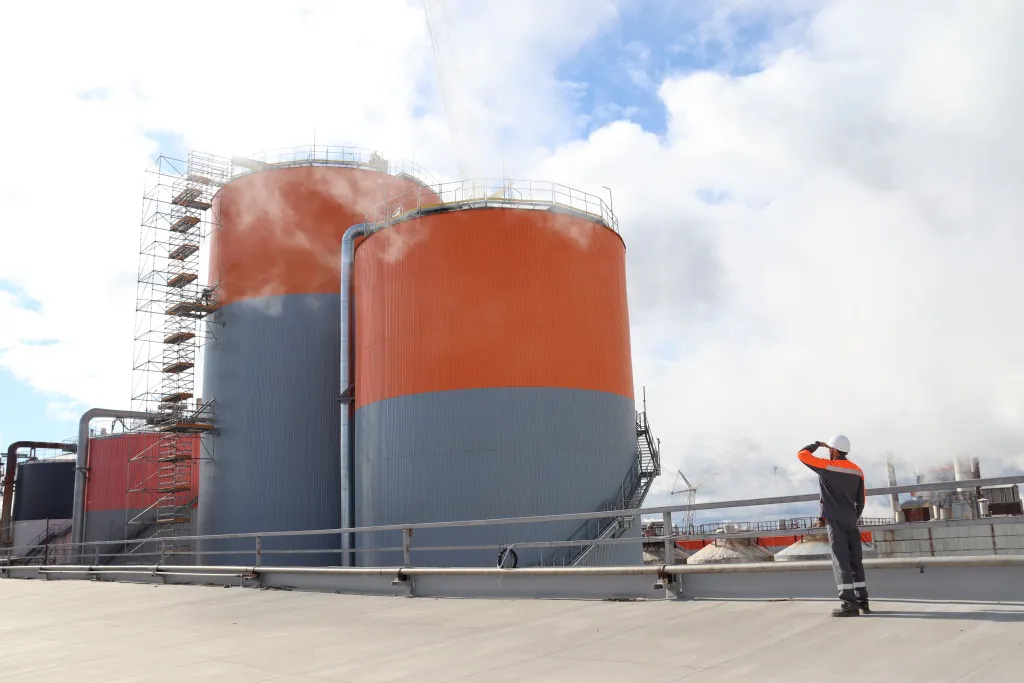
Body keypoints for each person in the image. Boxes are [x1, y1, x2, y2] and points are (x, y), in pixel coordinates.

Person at [797, 435, 870, 617]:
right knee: (855, 561)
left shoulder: (827, 466)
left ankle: (849, 605)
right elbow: (861, 500)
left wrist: (817, 444)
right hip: (851, 520)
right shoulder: (857, 471)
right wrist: (853, 517)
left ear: (835, 450)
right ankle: (863, 601)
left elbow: (802, 454)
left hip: (835, 520)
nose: (829, 451)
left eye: (830, 448)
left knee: (841, 560)